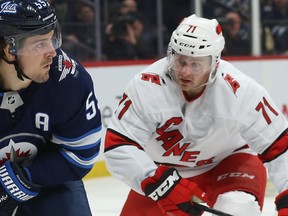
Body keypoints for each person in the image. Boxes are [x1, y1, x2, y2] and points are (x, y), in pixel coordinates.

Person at [104, 14, 288, 216]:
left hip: (230, 161)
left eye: (195, 64)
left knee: (237, 207)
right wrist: (161, 184)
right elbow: (117, 146)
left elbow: (281, 146)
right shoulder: (146, 86)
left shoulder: (242, 92)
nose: (184, 72)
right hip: (164, 170)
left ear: (215, 63)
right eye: (180, 60)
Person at [0, 0, 102, 216]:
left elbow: (81, 155)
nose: (53, 52)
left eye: (52, 39)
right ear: (10, 50)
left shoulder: (68, 80)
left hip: (44, 180)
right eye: (39, 44)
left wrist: (23, 178)